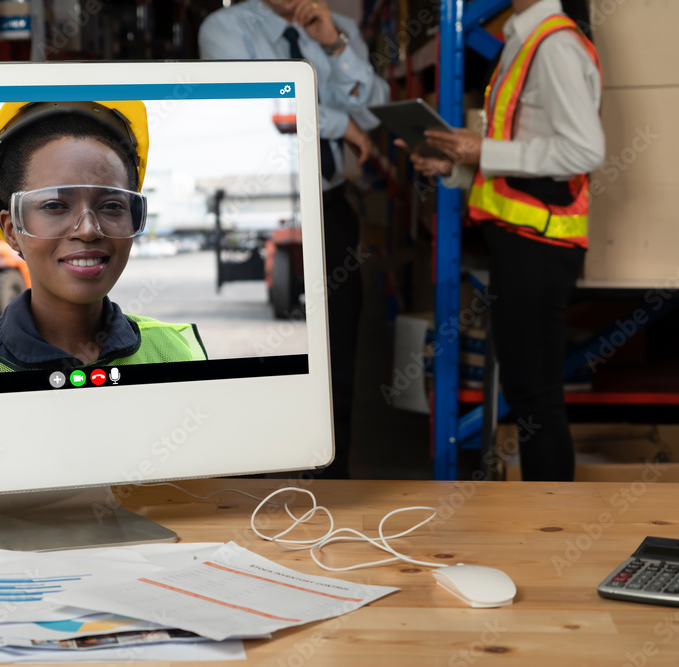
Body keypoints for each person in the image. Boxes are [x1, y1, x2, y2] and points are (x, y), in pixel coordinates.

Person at [405, 0, 603, 481]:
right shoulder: (522, 39)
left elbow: (585, 149)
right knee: (527, 393)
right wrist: (456, 166)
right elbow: (522, 162)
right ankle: (546, 524)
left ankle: (552, 528)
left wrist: (481, 148)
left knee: (537, 398)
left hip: (541, 245)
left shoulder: (553, 44)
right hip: (520, 242)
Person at [199, 0, 390, 479]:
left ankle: (333, 478)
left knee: (338, 351)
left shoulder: (339, 29)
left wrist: (334, 45)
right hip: (268, 204)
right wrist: (336, 123)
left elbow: (373, 108)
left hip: (328, 206)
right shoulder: (224, 28)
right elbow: (258, 104)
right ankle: (248, 478)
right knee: (259, 358)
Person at [0, 101, 207, 378]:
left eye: (112, 205)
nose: (87, 230)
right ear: (12, 229)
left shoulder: (180, 351)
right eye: (54, 205)